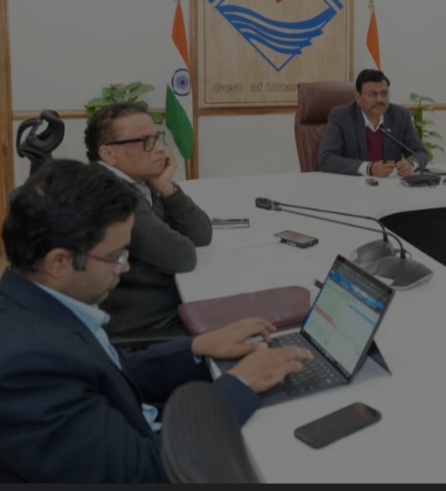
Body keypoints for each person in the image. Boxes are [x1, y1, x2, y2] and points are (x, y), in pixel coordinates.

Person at [0, 159, 313, 483]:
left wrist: (197, 348)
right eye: (117, 256)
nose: (125, 268)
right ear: (58, 263)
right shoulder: (27, 367)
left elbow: (113, 373)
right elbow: (142, 474)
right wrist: (238, 386)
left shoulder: (37, 304)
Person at [84, 103, 211, 335]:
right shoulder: (110, 193)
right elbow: (181, 257)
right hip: (144, 322)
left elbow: (202, 234)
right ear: (109, 154)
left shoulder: (140, 180)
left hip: (162, 302)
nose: (161, 149)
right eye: (145, 142)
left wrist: (167, 189)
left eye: (157, 138)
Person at [317, 68, 429, 177]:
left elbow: (420, 152)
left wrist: (411, 164)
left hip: (389, 185)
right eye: (372, 94)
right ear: (358, 97)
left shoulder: (400, 115)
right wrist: (369, 168)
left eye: (384, 94)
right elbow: (326, 159)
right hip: (352, 185)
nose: (379, 99)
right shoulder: (341, 116)